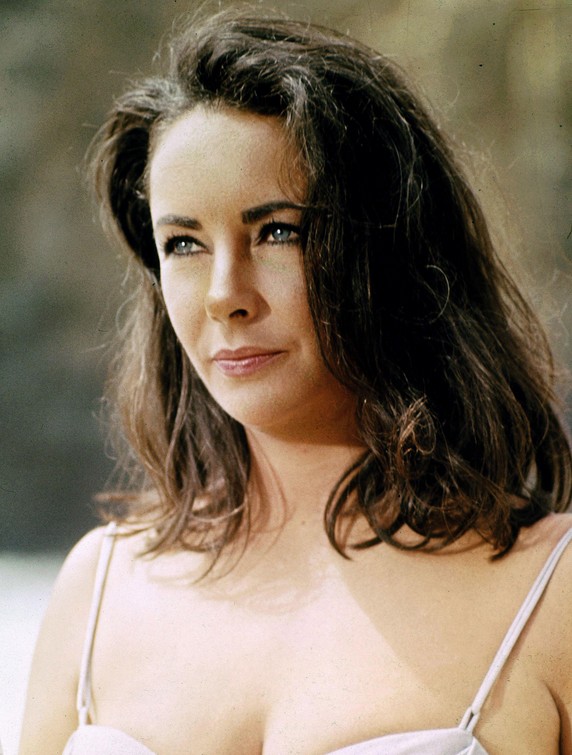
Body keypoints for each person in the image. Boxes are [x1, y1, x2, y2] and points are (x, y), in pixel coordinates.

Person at [19, 8, 572, 755]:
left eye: (278, 231)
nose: (225, 295)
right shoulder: (97, 587)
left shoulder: (551, 592)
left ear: (387, 251)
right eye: (183, 243)